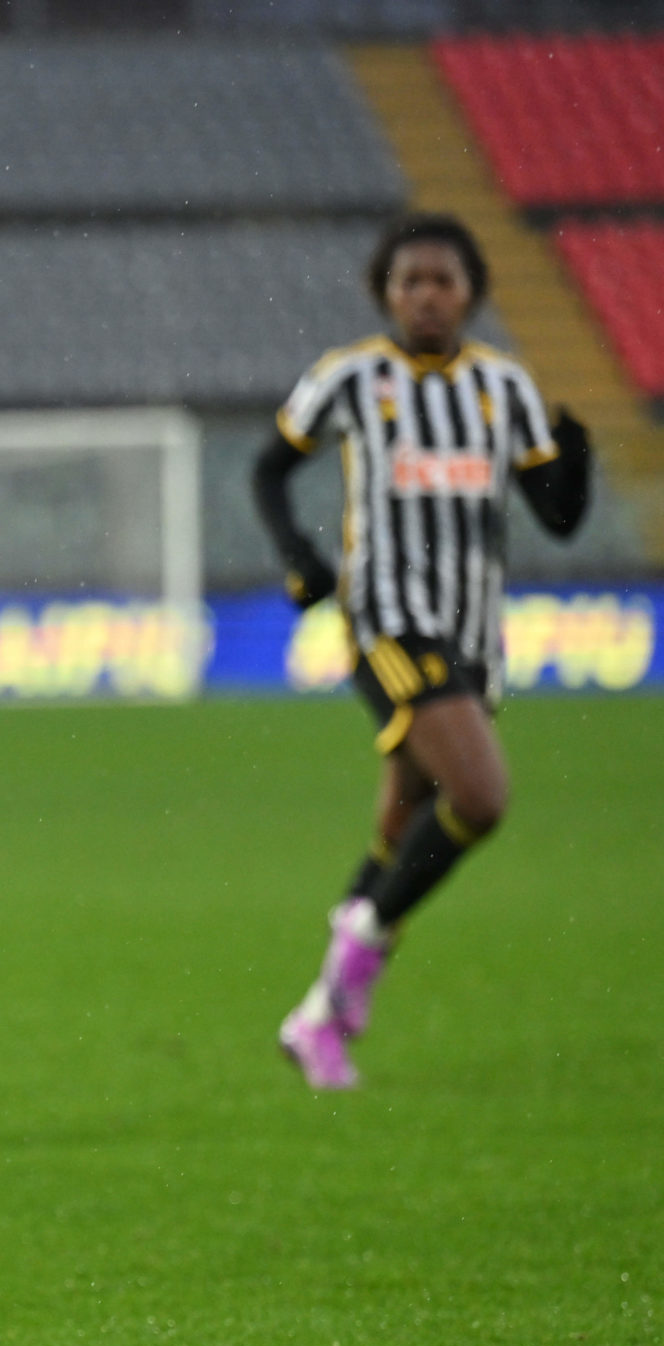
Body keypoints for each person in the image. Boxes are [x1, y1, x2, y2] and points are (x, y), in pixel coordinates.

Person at [256, 213, 592, 1091]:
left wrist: (578, 462)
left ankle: (316, 1018)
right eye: (411, 280)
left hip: (472, 635)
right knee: (480, 796)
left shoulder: (503, 387)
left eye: (444, 280)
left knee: (406, 823)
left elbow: (557, 516)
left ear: (471, 292)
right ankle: (360, 944)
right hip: (389, 621)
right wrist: (299, 555)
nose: (428, 295)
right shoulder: (353, 376)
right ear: (386, 293)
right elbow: (270, 466)